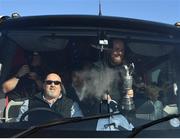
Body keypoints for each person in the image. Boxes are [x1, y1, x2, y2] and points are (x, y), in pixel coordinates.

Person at [16, 72, 83, 122]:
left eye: (56, 83)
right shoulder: (28, 103)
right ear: (44, 86)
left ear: (61, 87)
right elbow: (20, 126)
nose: (52, 85)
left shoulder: (72, 105)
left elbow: (79, 127)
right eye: (49, 82)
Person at [93, 39, 136, 112]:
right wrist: (103, 96)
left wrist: (132, 90)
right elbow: (93, 89)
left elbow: (134, 86)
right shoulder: (98, 67)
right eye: (117, 49)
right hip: (104, 112)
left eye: (122, 50)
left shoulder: (128, 68)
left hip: (124, 111)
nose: (120, 53)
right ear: (109, 50)